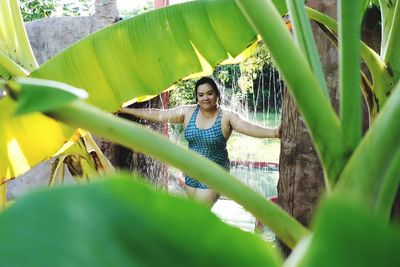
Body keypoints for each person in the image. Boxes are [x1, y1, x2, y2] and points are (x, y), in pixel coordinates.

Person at [119, 77, 281, 208]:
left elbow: (248, 127)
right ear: (196, 97)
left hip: (215, 171)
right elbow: (158, 114)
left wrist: (274, 132)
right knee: (198, 213)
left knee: (198, 212)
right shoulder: (188, 112)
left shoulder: (226, 116)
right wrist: (127, 110)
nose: (206, 98)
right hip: (192, 170)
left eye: (209, 93)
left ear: (217, 95)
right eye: (201, 94)